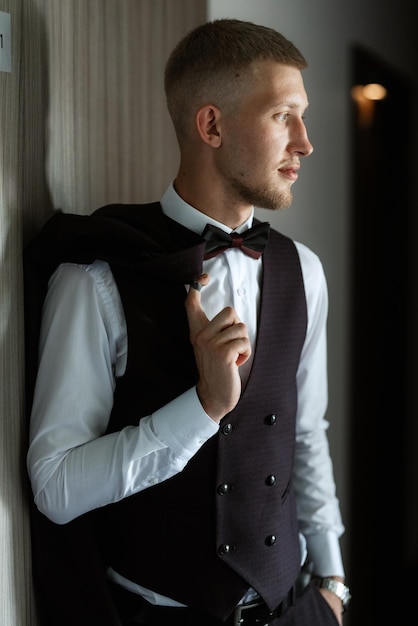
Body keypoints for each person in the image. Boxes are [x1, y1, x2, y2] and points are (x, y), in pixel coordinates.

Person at [24, 18, 350, 626]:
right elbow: (55, 486)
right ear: (212, 125)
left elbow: (306, 434)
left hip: (297, 609)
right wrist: (201, 409)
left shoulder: (305, 272)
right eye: (283, 115)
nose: (304, 142)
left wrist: (333, 584)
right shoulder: (96, 277)